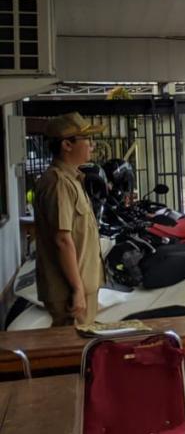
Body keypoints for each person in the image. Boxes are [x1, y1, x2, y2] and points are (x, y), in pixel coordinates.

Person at [33, 113, 104, 328]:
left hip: (79, 287)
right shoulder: (59, 183)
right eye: (86, 139)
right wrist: (77, 289)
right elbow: (62, 240)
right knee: (76, 345)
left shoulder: (72, 179)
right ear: (67, 145)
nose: (92, 145)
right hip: (69, 292)